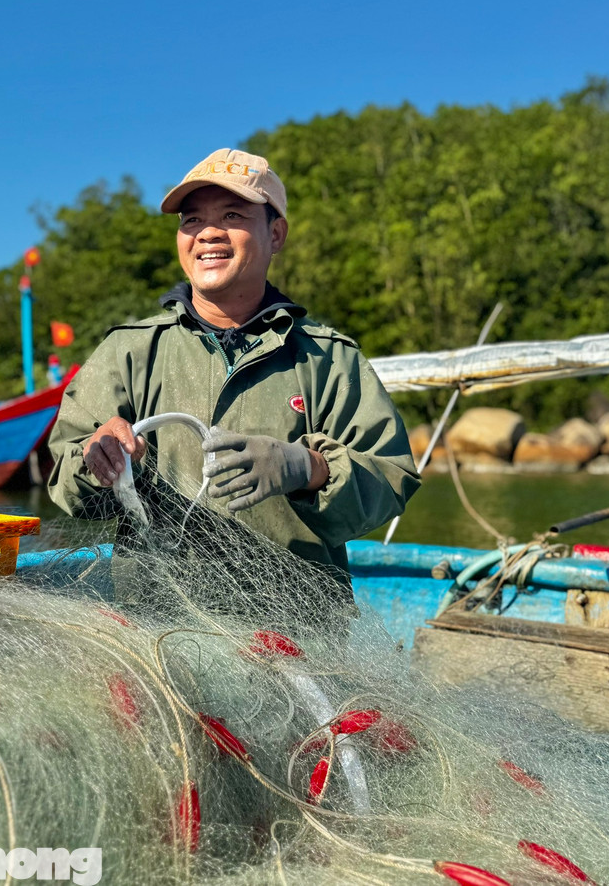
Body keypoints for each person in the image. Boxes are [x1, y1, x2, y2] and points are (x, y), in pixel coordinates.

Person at [47, 148, 419, 580]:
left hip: (298, 629)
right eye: (191, 220)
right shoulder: (129, 350)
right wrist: (99, 461)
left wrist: (308, 469)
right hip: (154, 621)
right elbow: (66, 480)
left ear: (275, 235)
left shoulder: (330, 357)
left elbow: (392, 480)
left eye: (232, 216)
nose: (207, 233)